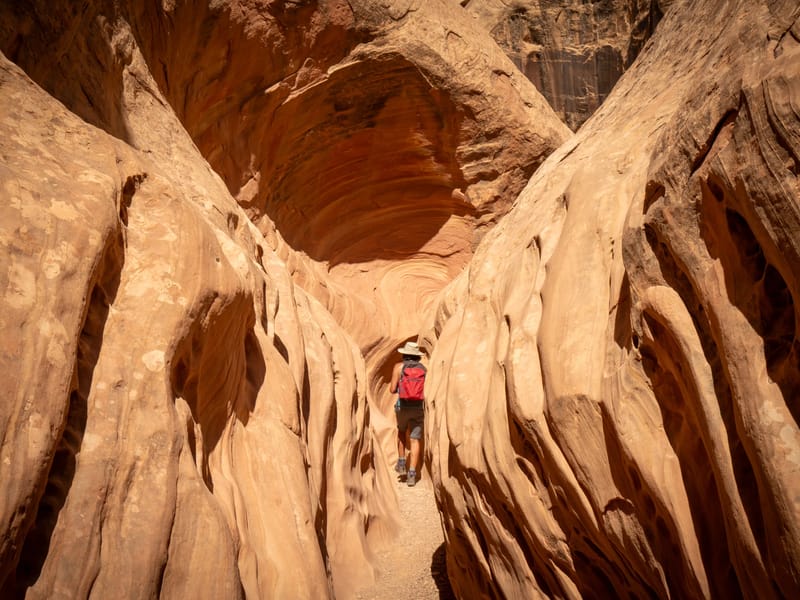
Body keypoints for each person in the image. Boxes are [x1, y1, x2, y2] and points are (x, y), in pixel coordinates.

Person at [390, 341, 426, 487]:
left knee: (401, 431)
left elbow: (392, 389)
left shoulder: (399, 367)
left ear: (404, 353)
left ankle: (401, 464)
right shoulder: (424, 369)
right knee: (415, 439)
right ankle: (412, 474)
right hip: (418, 408)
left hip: (402, 407)